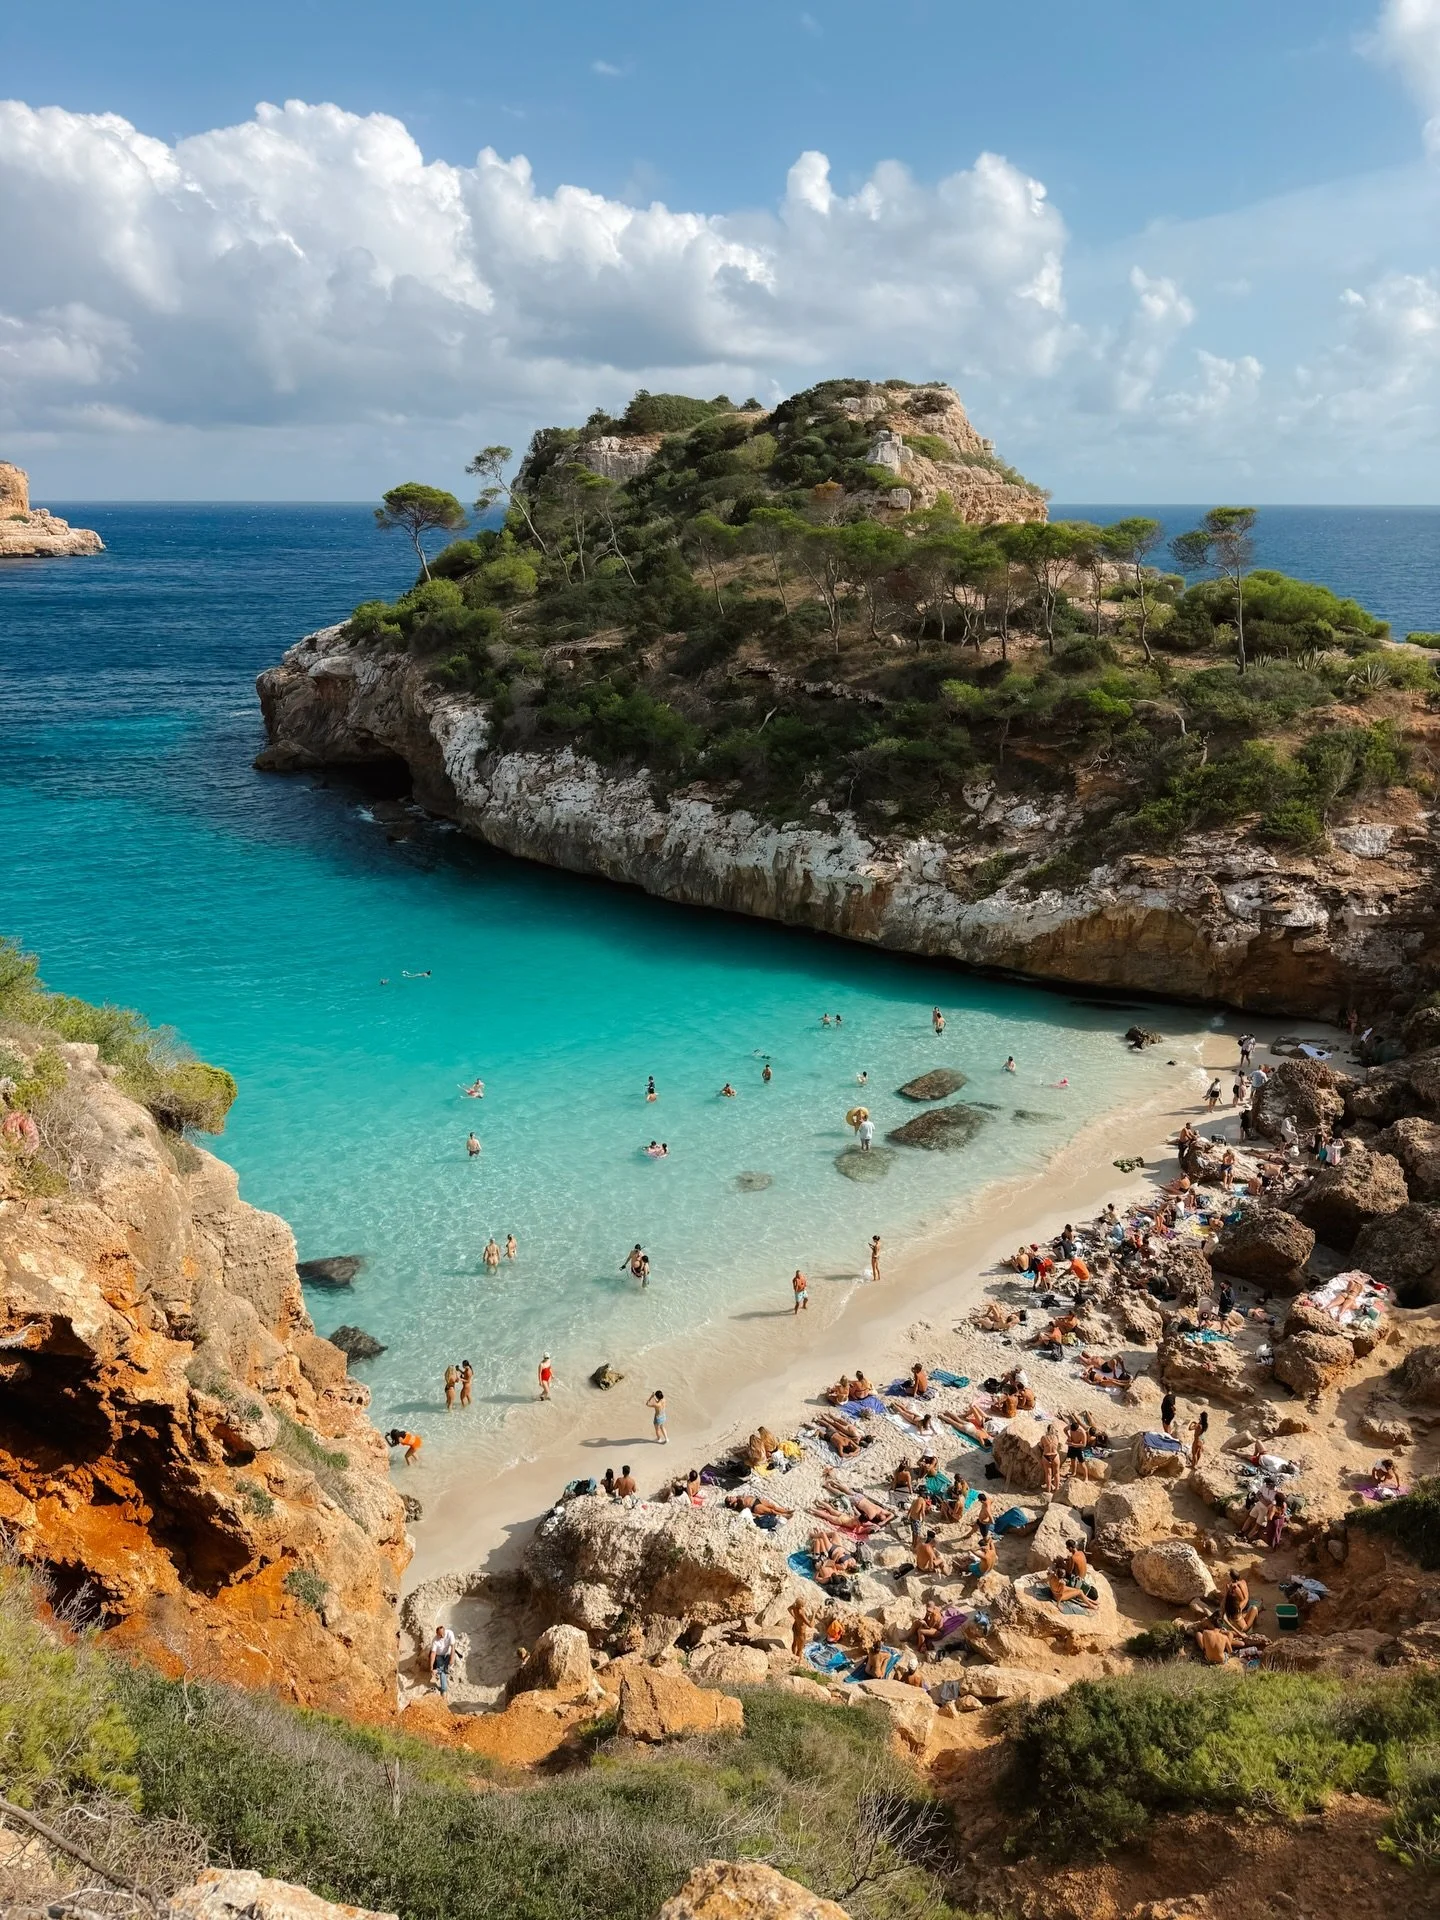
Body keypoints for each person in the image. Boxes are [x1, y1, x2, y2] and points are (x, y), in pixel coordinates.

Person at [429, 1621, 456, 1695]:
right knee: (443, 1671)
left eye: (443, 1634)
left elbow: (453, 1646)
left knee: (443, 1668)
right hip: (439, 1655)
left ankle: (437, 1670)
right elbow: (433, 1653)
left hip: (447, 1653)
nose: (442, 1636)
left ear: (445, 1631)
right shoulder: (435, 1640)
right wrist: (431, 1666)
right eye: (440, 1635)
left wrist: (452, 1658)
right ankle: (444, 1690)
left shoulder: (450, 1633)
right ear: (437, 1634)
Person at [1063, 1415, 1091, 1483]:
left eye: (1074, 1431)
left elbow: (1084, 1444)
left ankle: (1086, 1478)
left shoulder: (1082, 1432)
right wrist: (1068, 1436)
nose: (1073, 1432)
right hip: (1072, 1445)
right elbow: (1065, 1429)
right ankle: (1073, 1473)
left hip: (1078, 1447)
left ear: (1077, 1429)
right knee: (1072, 1460)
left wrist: (1074, 1444)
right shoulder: (1071, 1426)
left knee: (1082, 1463)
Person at [1040, 1422, 1062, 1495]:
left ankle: (1048, 1489)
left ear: (1047, 1430)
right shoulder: (1056, 1437)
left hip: (1046, 1456)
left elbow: (1041, 1446)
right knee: (1056, 1473)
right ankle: (1057, 1488)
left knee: (1048, 1474)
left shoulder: (1044, 1437)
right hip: (1055, 1455)